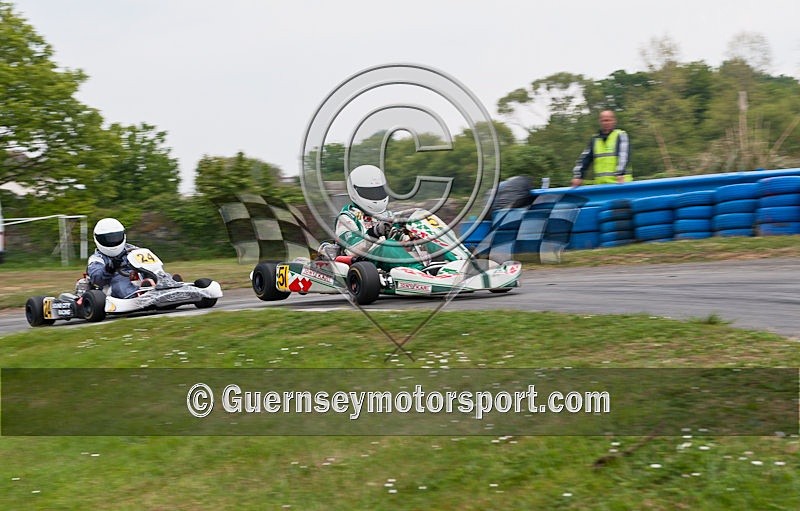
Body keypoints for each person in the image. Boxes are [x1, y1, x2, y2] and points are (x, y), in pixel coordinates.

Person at [86, 218, 148, 298]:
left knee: (160, 276)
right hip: (112, 285)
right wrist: (110, 268)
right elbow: (97, 279)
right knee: (120, 283)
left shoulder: (134, 250)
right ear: (97, 239)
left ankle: (160, 289)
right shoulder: (96, 258)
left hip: (138, 277)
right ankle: (137, 297)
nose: (113, 242)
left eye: (116, 237)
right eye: (107, 239)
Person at [572, 110, 632, 186]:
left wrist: (620, 173)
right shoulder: (595, 139)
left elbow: (624, 155)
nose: (606, 123)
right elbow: (585, 158)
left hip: (620, 183)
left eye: (608, 120)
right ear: (599, 122)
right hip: (601, 185)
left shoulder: (621, 135)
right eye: (603, 121)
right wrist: (578, 176)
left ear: (614, 121)